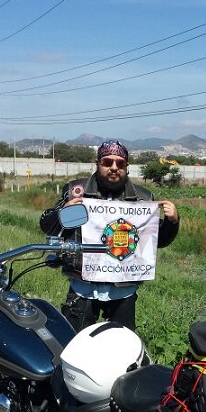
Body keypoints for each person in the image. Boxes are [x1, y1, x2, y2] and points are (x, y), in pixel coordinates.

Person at [40, 140, 179, 333]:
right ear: (97, 163)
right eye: (107, 162)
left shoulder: (143, 197)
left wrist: (172, 222)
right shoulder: (75, 191)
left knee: (122, 346)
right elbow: (48, 227)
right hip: (83, 285)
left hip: (123, 288)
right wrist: (63, 212)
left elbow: (159, 242)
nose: (114, 168)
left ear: (127, 167)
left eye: (120, 164)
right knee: (74, 343)